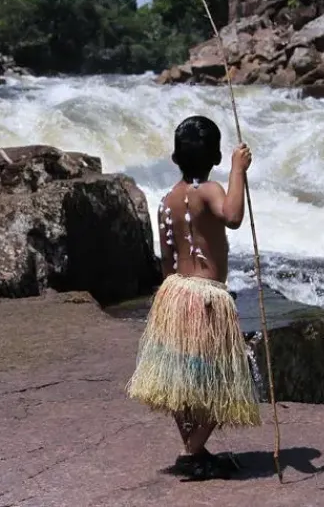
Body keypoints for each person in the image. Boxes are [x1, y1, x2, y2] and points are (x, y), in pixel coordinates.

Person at [126, 115, 261, 481]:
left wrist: (173, 301)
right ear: (216, 157)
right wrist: (239, 170)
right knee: (228, 379)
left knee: (181, 379)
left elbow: (167, 259)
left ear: (175, 158)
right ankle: (192, 450)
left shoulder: (168, 200)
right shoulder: (209, 190)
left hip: (174, 293)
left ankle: (195, 449)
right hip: (205, 297)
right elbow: (232, 216)